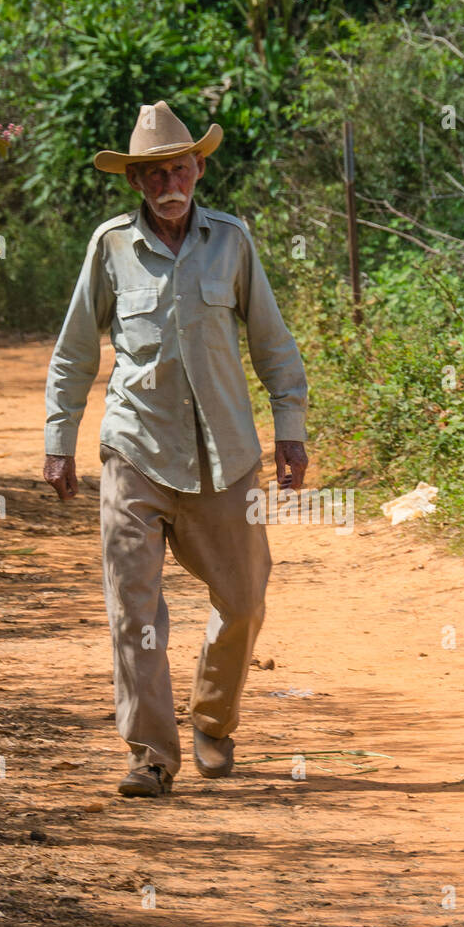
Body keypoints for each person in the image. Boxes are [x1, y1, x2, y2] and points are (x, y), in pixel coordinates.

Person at [43, 101, 309, 800]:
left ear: (198, 169)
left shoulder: (233, 243)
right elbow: (74, 354)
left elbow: (272, 342)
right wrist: (59, 441)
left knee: (245, 600)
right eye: (155, 172)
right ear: (136, 182)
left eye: (180, 167)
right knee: (134, 607)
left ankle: (214, 721)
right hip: (135, 450)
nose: (170, 182)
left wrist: (291, 428)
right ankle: (151, 754)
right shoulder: (109, 248)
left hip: (226, 453)